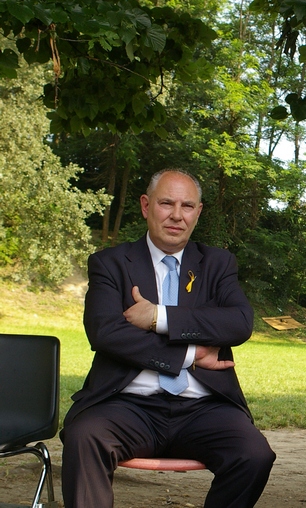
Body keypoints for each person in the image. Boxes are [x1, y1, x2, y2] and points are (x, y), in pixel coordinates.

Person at [61, 169, 275, 507]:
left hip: (203, 409)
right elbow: (106, 332)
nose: (177, 215)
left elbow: (238, 323)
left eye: (187, 206)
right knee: (84, 437)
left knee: (254, 455)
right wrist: (189, 355)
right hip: (126, 406)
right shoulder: (110, 263)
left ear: (199, 212)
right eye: (166, 203)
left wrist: (157, 317)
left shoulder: (218, 264)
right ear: (146, 206)